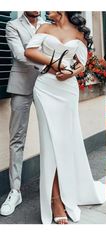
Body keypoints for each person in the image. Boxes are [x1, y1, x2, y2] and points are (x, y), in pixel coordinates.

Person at [24, 11, 106, 224]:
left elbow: (82, 64)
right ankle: (56, 200)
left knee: (65, 143)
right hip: (45, 88)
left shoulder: (79, 32)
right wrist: (56, 63)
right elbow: (29, 52)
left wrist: (71, 72)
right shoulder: (44, 27)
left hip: (67, 91)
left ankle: (67, 192)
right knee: (50, 143)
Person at [0, 11, 45, 217]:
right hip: (21, 85)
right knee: (17, 138)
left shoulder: (48, 24)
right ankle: (15, 191)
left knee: (53, 135)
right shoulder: (12, 25)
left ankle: (53, 189)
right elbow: (19, 54)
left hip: (48, 86)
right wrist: (52, 65)